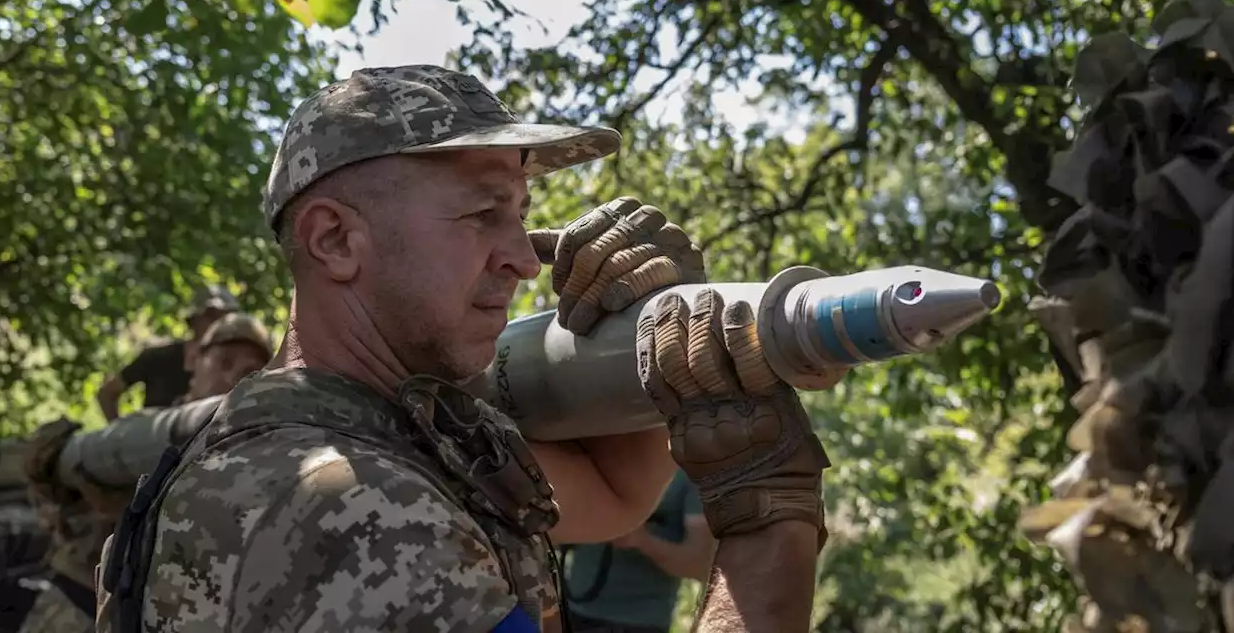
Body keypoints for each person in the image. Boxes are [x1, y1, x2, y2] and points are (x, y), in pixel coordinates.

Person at [93, 65, 836, 633]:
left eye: (522, 215)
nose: (523, 257)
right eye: (484, 213)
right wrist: (767, 522)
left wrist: (639, 337)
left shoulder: (352, 427)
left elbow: (612, 499)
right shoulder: (357, 510)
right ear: (336, 239)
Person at [15, 312, 276, 633]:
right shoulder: (142, 434)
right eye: (225, 361)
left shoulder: (256, 451)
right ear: (194, 359)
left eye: (250, 371)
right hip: (78, 605)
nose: (234, 377)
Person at [563, 469, 714, 633]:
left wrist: (641, 540)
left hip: (638, 623)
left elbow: (699, 565)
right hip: (570, 611)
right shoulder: (598, 456)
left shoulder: (691, 472)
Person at [95, 284, 239, 421]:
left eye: (226, 318)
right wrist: (122, 436)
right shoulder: (160, 357)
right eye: (212, 316)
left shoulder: (238, 365)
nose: (219, 323)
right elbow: (107, 393)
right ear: (194, 320)